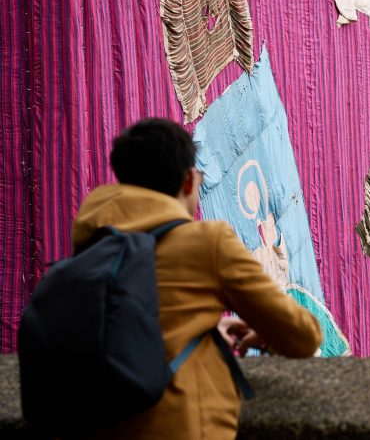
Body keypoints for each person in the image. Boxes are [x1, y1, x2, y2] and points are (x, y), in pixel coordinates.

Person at [71, 118, 322, 438]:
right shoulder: (207, 242)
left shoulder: (93, 242)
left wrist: (206, 328)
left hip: (92, 421)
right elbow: (302, 337)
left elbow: (130, 326)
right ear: (189, 182)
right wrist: (266, 330)